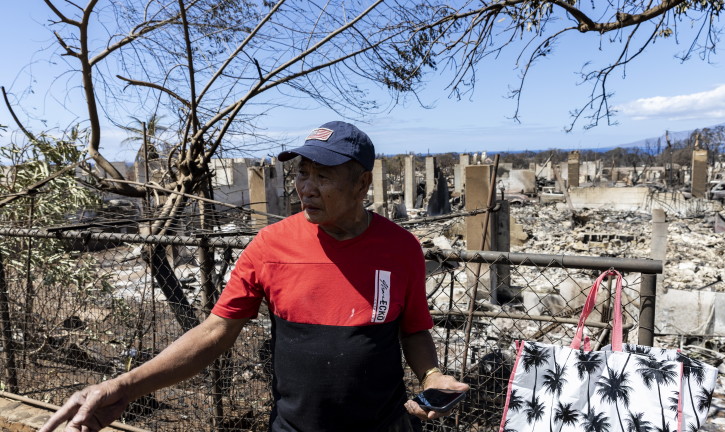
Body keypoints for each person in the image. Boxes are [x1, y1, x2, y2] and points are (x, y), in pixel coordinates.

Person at [40, 121, 469, 432]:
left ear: (362, 184)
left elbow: (413, 330)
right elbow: (214, 333)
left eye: (323, 176)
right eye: (301, 172)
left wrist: (431, 375)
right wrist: (124, 386)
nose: (306, 187)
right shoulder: (270, 245)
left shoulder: (401, 248)